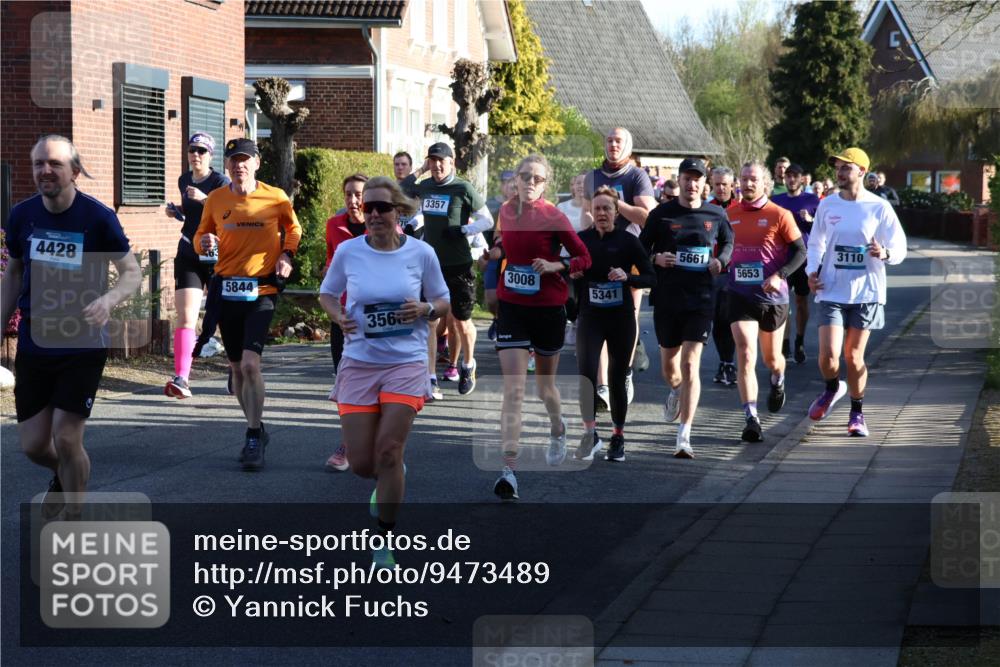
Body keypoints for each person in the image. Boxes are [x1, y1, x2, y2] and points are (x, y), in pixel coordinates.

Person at [1, 135, 141, 520]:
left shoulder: (97, 218)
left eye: (55, 164)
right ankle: (66, 475)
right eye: (39, 163)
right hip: (36, 342)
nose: (45, 170)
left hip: (82, 342)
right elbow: (13, 273)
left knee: (66, 436)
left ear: (74, 171)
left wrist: (109, 299)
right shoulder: (22, 216)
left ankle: (75, 519)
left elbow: (131, 272)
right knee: (33, 446)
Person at [319, 176, 449, 567]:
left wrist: (425, 309)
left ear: (399, 212)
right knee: (362, 464)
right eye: (368, 208)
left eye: (382, 207)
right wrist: (337, 315)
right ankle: (388, 476)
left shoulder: (422, 253)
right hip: (359, 361)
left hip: (406, 362)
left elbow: (443, 300)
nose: (373, 214)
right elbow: (326, 293)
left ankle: (384, 542)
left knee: (389, 451)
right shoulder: (348, 252)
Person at [194, 138, 302, 470]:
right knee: (238, 368)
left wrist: (287, 253)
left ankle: (253, 435)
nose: (239, 165)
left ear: (256, 163)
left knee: (252, 365)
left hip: (262, 290)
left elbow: (293, 228)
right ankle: (256, 425)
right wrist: (205, 241)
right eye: (234, 160)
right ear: (226, 165)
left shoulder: (276, 197)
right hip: (226, 290)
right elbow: (200, 238)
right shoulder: (216, 199)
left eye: (246, 160)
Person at [491, 154, 591, 499]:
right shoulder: (505, 211)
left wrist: (555, 264)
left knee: (545, 387)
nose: (530, 183)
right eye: (525, 177)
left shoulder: (554, 216)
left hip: (548, 309)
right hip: (513, 308)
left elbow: (584, 257)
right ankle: (509, 470)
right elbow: (507, 245)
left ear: (546, 184)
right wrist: (495, 251)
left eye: (537, 178)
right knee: (514, 389)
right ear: (515, 180)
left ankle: (557, 428)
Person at [807, 148, 907, 436]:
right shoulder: (828, 205)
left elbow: (900, 247)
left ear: (862, 171)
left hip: (866, 292)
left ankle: (857, 413)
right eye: (837, 168)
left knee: (852, 356)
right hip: (831, 289)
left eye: (845, 168)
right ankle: (831, 388)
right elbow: (816, 243)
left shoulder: (879, 207)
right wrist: (812, 272)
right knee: (827, 356)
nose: (839, 173)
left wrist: (885, 252)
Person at [641, 158, 733, 458]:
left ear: (704, 184)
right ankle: (676, 391)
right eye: (687, 178)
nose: (692, 184)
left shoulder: (716, 213)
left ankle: (684, 435)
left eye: (697, 179)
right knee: (671, 368)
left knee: (691, 364)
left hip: (702, 299)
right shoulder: (662, 214)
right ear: (678, 180)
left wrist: (721, 260)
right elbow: (641, 248)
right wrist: (655, 259)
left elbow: (728, 242)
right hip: (668, 299)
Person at [572, 186, 655, 461]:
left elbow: (651, 278)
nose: (602, 213)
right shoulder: (581, 240)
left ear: (617, 212)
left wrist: (627, 277)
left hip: (620, 318)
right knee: (586, 376)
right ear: (591, 212)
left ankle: (617, 436)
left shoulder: (629, 242)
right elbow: (566, 275)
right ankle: (590, 434)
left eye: (607, 208)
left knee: (617, 379)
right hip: (590, 317)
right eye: (597, 208)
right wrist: (575, 275)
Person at [403, 142, 494, 396]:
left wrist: (464, 230)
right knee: (430, 322)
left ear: (452, 162)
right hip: (431, 265)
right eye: (433, 160)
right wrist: (420, 169)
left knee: (462, 323)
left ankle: (468, 364)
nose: (437, 165)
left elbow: (488, 220)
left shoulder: (463, 188)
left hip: (459, 266)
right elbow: (405, 190)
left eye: (442, 160)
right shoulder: (427, 186)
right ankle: (430, 378)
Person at [726, 160, 806, 443]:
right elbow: (721, 248)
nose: (747, 184)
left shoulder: (779, 214)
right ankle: (751, 418)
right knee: (746, 352)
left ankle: (778, 379)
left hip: (773, 297)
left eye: (753, 180)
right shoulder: (729, 213)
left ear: (765, 184)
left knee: (772, 359)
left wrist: (779, 274)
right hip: (739, 294)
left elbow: (800, 251)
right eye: (744, 179)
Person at [583, 128, 657, 403]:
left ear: (628, 146)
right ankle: (603, 385)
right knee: (598, 313)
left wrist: (617, 204)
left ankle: (624, 371)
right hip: (599, 249)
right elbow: (584, 215)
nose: (613, 145)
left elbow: (648, 218)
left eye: (619, 141)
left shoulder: (636, 176)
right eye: (609, 141)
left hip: (629, 250)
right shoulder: (592, 175)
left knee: (628, 315)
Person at [164, 133, 230, 399]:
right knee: (187, 315)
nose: (196, 155)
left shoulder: (220, 182)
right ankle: (182, 377)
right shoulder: (184, 179)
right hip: (188, 251)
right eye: (192, 150)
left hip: (216, 253)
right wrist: (176, 210)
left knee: (224, 316)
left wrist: (205, 198)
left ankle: (235, 371)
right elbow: (191, 214)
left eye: (202, 151)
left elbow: (227, 213)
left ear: (210, 155)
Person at [323, 173, 368, 472]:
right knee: (345, 381)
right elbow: (330, 272)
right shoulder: (333, 226)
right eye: (348, 194)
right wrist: (336, 312)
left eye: (359, 194)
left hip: (376, 318)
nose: (353, 200)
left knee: (375, 382)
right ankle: (349, 443)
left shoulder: (383, 226)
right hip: (345, 317)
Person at [771, 163, 821, 365]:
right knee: (782, 303)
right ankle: (784, 343)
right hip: (782, 259)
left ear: (802, 179)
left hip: (803, 258)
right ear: (784, 178)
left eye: (795, 176)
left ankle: (799, 340)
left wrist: (810, 220)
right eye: (788, 176)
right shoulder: (776, 201)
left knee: (801, 302)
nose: (791, 179)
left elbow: (822, 229)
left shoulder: (812, 200)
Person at [708, 166, 738, 386]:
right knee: (719, 321)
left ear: (732, 185)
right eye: (716, 184)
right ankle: (726, 362)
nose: (720, 188)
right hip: (715, 274)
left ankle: (732, 362)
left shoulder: (741, 208)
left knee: (735, 322)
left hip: (739, 274)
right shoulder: (706, 209)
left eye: (724, 184)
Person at [482, 171, 517, 342]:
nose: (511, 188)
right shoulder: (496, 205)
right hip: (495, 255)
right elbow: (495, 234)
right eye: (507, 184)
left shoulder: (527, 208)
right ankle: (497, 318)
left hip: (515, 260)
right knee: (491, 299)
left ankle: (508, 327)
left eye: (514, 185)